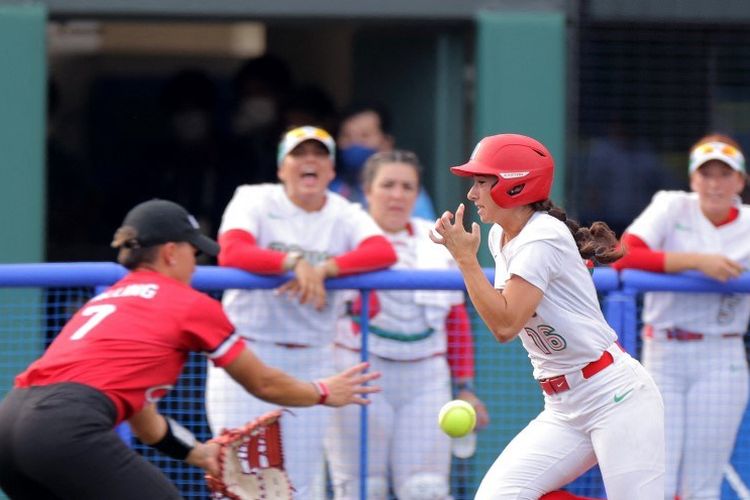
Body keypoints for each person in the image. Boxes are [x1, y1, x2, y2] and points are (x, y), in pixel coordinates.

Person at [0, 199, 381, 500]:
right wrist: (324, 391)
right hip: (66, 427)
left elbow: (144, 421)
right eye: (193, 252)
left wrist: (198, 454)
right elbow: (263, 383)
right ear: (169, 253)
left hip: (11, 423)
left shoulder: (109, 300)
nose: (196, 265)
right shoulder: (189, 303)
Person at [430, 133, 665, 499]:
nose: (472, 194)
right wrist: (468, 260)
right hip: (562, 405)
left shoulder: (542, 236)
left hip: (613, 395)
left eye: (481, 182)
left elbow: (506, 325)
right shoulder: (501, 236)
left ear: (514, 185)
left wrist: (464, 260)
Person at [205, 125, 398, 498]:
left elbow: (382, 251)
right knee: (234, 476)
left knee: (301, 482)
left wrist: (326, 268)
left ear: (330, 170)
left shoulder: (344, 213)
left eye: (320, 154)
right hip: (247, 353)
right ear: (281, 168)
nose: (310, 160)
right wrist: (292, 263)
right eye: (298, 154)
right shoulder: (255, 199)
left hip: (311, 358)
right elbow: (232, 251)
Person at [325, 150, 490, 500]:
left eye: (407, 186)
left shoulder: (436, 242)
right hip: (359, 371)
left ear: (417, 194)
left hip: (425, 377)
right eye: (387, 185)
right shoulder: (340, 236)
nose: (397, 195)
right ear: (367, 190)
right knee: (360, 489)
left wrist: (464, 386)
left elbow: (456, 322)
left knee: (425, 490)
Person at [612, 133, 750, 499]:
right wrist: (697, 262)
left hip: (721, 353)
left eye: (725, 174)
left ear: (740, 181)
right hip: (665, 351)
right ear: (693, 180)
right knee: (657, 478)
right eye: (707, 174)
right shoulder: (672, 206)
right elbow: (623, 253)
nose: (715, 183)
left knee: (703, 485)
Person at [332, 102, 436, 220]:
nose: (355, 143)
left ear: (386, 142)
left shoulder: (405, 189)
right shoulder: (330, 187)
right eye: (346, 136)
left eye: (364, 135)